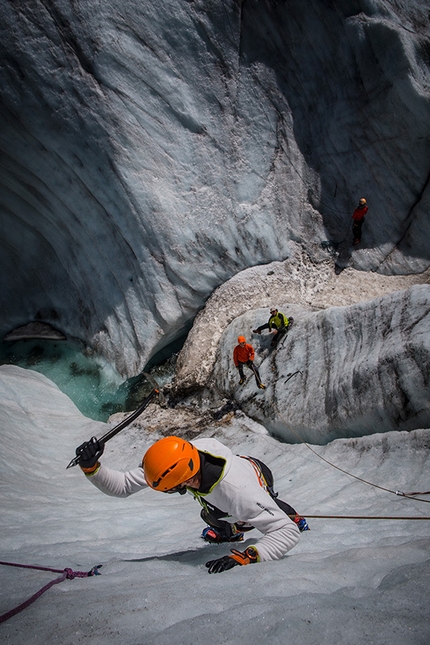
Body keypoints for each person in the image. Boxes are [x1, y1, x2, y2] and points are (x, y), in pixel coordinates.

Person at [76, 435, 309, 574]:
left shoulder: (237, 493)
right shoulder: (181, 456)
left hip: (256, 477)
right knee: (209, 514)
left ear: (183, 482)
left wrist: (248, 555)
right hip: (235, 476)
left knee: (256, 514)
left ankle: (290, 514)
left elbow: (285, 533)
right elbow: (124, 485)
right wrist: (91, 467)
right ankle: (231, 531)